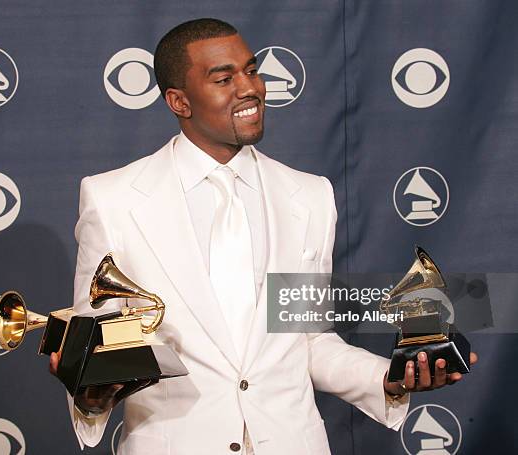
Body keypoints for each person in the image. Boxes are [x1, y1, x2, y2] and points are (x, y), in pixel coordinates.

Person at [49, 18, 477, 455]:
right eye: (224, 78)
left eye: (251, 70)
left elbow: (309, 341)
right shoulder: (112, 199)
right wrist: (91, 390)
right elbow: (97, 344)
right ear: (179, 101)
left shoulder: (310, 195)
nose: (249, 88)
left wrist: (388, 378)